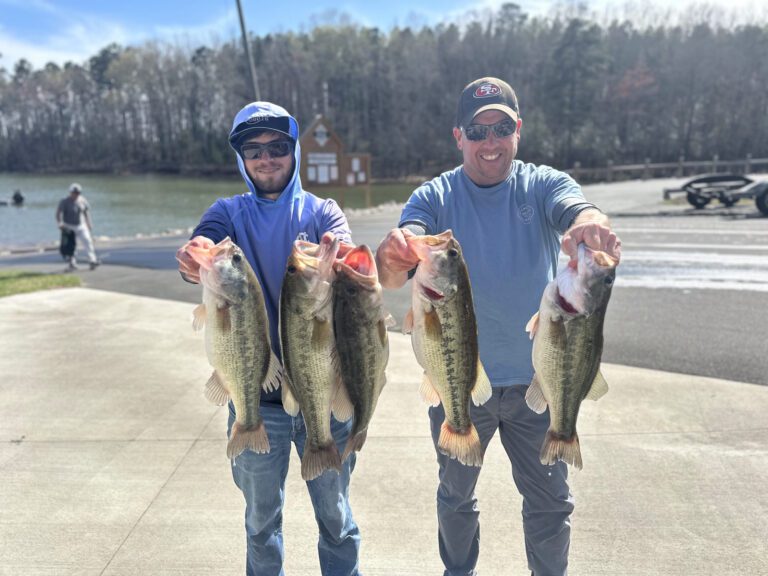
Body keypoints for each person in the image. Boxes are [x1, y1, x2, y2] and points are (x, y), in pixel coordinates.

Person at [375, 77, 622, 576]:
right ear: (458, 136)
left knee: (550, 503)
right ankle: (458, 571)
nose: (490, 142)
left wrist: (590, 223)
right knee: (455, 497)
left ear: (518, 131)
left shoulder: (541, 183)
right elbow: (397, 265)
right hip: (460, 384)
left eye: (501, 129)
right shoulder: (435, 194)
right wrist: (396, 251)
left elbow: (577, 209)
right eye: (477, 130)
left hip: (538, 382)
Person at [175, 102, 361, 576]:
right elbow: (204, 243)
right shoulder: (227, 212)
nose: (266, 158)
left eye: (277, 146)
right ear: (241, 159)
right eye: (253, 150)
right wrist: (195, 255)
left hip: (323, 395)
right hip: (256, 398)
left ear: (294, 151)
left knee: (337, 521)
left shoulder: (323, 211)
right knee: (261, 525)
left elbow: (344, 253)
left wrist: (341, 260)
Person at [55, 183, 100, 271]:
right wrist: (60, 223)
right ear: (70, 192)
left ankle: (92, 260)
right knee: (71, 246)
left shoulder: (82, 200)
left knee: (87, 241)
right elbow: (58, 213)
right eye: (74, 192)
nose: (76, 194)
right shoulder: (64, 201)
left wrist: (89, 223)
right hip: (69, 226)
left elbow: (86, 212)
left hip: (81, 225)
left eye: (78, 193)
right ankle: (72, 263)